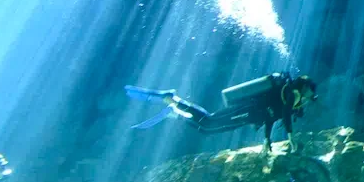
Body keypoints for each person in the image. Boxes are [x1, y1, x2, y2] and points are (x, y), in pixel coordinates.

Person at [125, 71, 318, 152]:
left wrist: (267, 139)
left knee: (207, 129)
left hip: (248, 117)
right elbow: (283, 114)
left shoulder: (289, 99)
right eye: (310, 91)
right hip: (246, 111)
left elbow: (272, 116)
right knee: (209, 122)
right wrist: (291, 137)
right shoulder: (292, 94)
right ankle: (174, 100)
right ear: (304, 87)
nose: (309, 97)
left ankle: (174, 112)